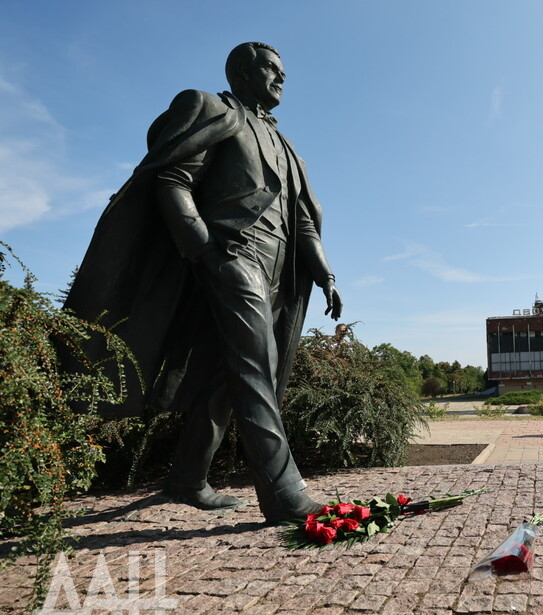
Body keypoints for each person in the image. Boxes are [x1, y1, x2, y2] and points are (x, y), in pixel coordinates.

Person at [64, 42, 341, 523]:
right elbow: (173, 178)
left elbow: (303, 221)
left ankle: (187, 478)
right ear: (243, 71)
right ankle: (283, 493)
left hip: (279, 274)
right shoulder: (210, 107)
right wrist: (205, 249)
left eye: (283, 72)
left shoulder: (287, 145)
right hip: (232, 255)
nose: (281, 79)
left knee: (223, 376)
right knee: (257, 369)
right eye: (272, 69)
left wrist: (325, 275)